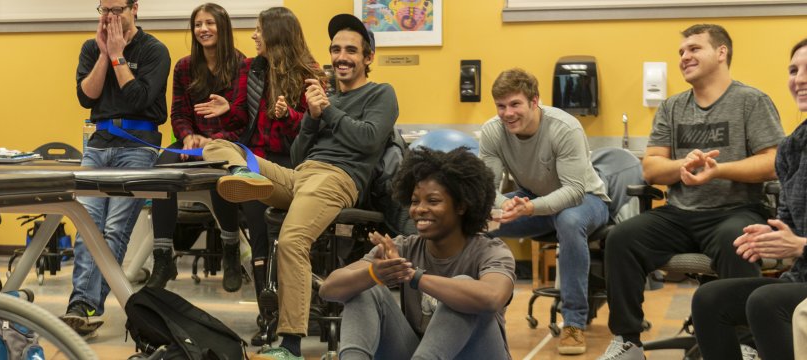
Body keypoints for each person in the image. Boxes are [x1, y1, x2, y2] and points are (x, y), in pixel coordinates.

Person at [202, 13, 397, 359]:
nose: (341, 57)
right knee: (217, 146)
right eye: (336, 49)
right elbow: (298, 153)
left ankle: (290, 345)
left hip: (338, 179)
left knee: (291, 240)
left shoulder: (381, 94)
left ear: (368, 58)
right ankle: (244, 174)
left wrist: (329, 113)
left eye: (351, 50)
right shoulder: (325, 97)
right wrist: (311, 117)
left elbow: (368, 141)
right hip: (300, 174)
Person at [598, 24, 784, 360]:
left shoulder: (750, 101)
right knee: (620, 238)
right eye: (682, 52)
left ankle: (745, 344)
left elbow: (772, 162)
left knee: (738, 239)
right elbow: (651, 167)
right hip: (679, 214)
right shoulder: (672, 107)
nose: (685, 57)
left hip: (736, 209)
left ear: (721, 52)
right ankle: (628, 341)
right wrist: (683, 165)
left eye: (694, 49)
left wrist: (719, 169)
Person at [320, 147, 514, 359]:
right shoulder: (402, 247)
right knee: (363, 286)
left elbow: (491, 298)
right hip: (419, 353)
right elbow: (329, 290)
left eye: (433, 201)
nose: (419, 209)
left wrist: (414, 277)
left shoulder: (491, 251)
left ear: (461, 206)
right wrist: (372, 274)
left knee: (463, 291)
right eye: (414, 201)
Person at [690, 37, 807, 360]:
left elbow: (799, 242)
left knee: (766, 302)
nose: (799, 79)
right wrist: (771, 236)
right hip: (802, 279)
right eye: (794, 70)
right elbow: (788, 223)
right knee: (710, 299)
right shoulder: (793, 146)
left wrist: (800, 246)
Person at [479, 68, 610, 355]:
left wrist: (529, 208)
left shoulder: (564, 128)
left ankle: (574, 323)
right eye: (501, 106)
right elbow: (487, 191)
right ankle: (476, 309)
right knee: (475, 221)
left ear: (534, 101)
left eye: (515, 104)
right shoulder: (492, 131)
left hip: (586, 199)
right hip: (533, 200)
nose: (507, 113)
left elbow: (574, 190)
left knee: (569, 220)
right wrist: (505, 206)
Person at [62, 0, 170, 337]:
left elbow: (138, 98)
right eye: (104, 10)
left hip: (138, 145)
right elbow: (87, 96)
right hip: (98, 145)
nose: (110, 17)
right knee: (87, 224)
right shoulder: (89, 48)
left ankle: (85, 304)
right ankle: (82, 304)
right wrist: (103, 54)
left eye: (117, 9)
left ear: (134, 8)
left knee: (113, 229)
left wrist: (118, 55)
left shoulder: (154, 50)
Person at [145, 2, 249, 292]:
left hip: (228, 144)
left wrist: (216, 141)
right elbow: (178, 113)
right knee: (161, 169)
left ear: (223, 27)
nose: (203, 29)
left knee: (220, 175)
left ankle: (230, 250)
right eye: (198, 24)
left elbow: (245, 120)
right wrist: (188, 135)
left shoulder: (242, 64)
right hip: (192, 143)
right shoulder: (184, 66)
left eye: (210, 23)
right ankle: (163, 257)